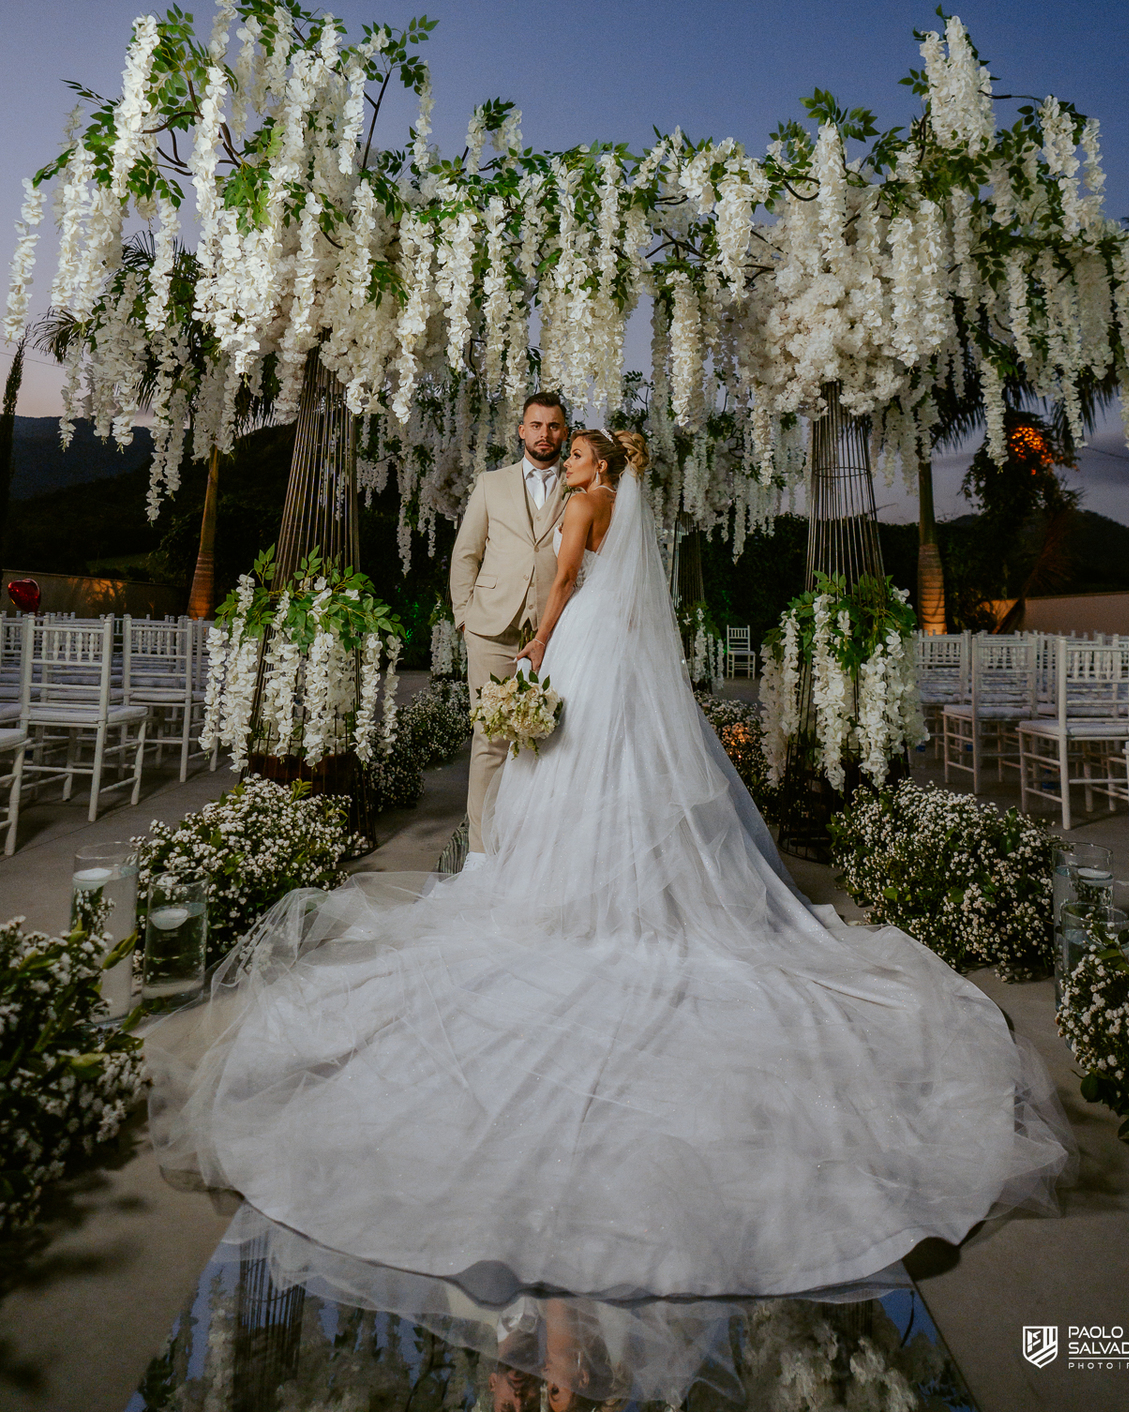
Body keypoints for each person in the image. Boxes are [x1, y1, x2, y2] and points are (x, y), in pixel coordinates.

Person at [146, 428, 1072, 1305]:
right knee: (603, 769)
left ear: (594, 467)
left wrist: (542, 645)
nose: (576, 462)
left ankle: (570, 899)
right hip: (615, 647)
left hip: (576, 640)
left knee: (564, 770)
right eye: (574, 451)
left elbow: (557, 590)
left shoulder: (588, 508)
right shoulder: (626, 513)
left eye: (583, 451)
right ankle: (622, 891)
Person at [449, 392, 569, 857]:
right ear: (521, 430)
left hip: (553, 633)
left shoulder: (578, 484)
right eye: (536, 425)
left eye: (554, 426)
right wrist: (465, 618)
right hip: (491, 630)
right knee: (491, 739)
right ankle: (481, 853)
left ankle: (534, 854)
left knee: (553, 739)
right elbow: (466, 554)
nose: (544, 434)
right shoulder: (491, 483)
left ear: (564, 431)